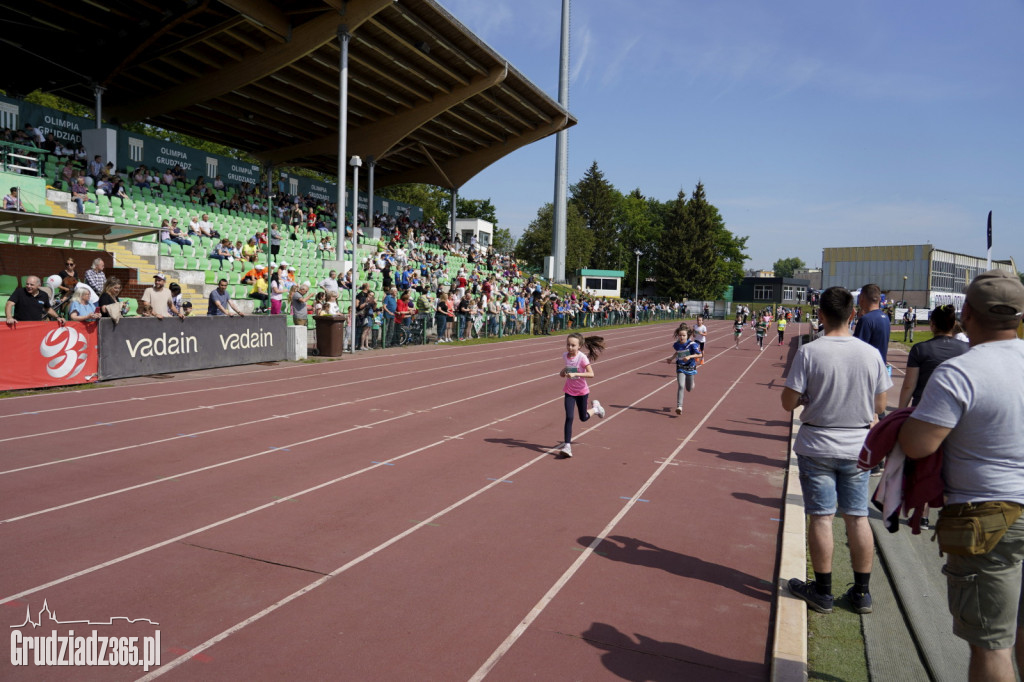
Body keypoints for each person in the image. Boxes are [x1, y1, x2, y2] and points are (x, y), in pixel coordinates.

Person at [897, 270, 1024, 682]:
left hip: (989, 516)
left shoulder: (960, 372)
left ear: (966, 313)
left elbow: (919, 445)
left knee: (992, 645)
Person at [782, 286, 891, 616]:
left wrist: (806, 399)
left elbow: (788, 402)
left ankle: (824, 591)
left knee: (822, 516)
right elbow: (881, 404)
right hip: (856, 446)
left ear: (821, 315)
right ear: (853, 313)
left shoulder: (811, 352)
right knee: (857, 517)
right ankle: (862, 593)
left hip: (817, 445)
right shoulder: (870, 355)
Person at [898, 304, 968, 409]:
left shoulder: (919, 349)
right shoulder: (966, 348)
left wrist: (899, 413)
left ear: (932, 324)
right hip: (955, 409)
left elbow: (909, 386)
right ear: (954, 324)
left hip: (923, 408)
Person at [557, 333, 607, 457]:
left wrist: (576, 374)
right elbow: (564, 373)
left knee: (583, 417)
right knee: (569, 417)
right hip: (569, 391)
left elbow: (591, 374)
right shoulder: (565, 356)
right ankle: (567, 446)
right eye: (568, 345)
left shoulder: (582, 357)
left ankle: (596, 409)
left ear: (579, 346)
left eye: (573, 345)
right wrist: (564, 372)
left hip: (582, 392)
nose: (570, 347)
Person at [665, 323, 701, 415]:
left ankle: (692, 383)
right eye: (680, 335)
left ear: (688, 335)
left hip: (690, 367)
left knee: (689, 388)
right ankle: (679, 406)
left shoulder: (692, 344)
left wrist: (689, 356)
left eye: (684, 335)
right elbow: (677, 352)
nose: (681, 337)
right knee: (681, 385)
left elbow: (700, 355)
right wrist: (671, 358)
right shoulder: (677, 344)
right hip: (680, 367)